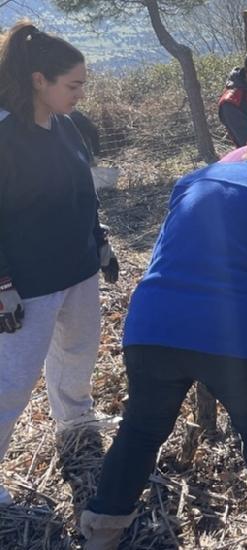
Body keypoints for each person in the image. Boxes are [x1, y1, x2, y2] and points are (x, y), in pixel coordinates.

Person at [80, 104, 247, 548]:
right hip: (236, 338)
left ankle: (102, 530)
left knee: (140, 429)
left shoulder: (194, 180)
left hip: (152, 327)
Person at [0, 22, 121, 507]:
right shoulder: (5, 134)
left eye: (83, 85)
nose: (79, 94)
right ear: (38, 80)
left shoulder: (67, 125)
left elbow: (82, 191)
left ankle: (74, 425)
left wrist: (100, 241)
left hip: (78, 269)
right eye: (72, 85)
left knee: (77, 355)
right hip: (27, 281)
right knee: (12, 380)